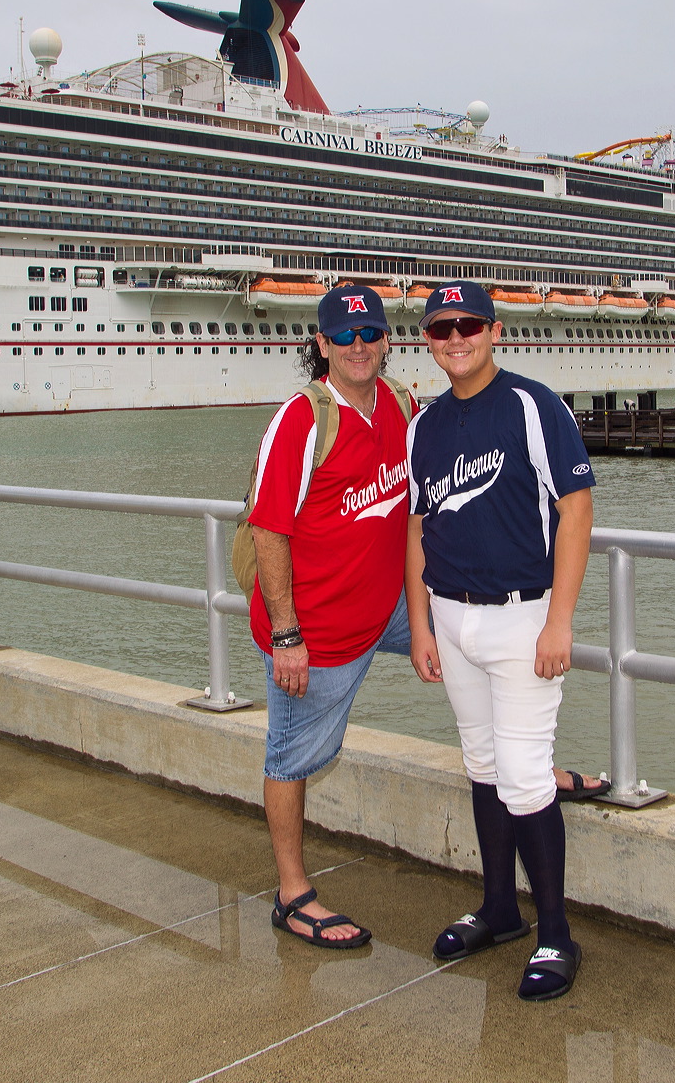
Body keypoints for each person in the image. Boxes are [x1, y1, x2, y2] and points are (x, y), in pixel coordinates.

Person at [404, 281, 596, 1001]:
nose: (456, 338)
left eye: (469, 324)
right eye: (441, 328)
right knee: (482, 764)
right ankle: (498, 908)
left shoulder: (532, 404)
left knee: (523, 775)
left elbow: (577, 509)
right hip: (451, 616)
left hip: (523, 616)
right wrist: (420, 623)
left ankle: (556, 934)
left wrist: (560, 620)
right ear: (429, 340)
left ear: (495, 330)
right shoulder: (423, 426)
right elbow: (416, 527)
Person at [248, 284, 414, 948]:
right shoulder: (302, 420)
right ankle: (292, 896)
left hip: (388, 606)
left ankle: (528, 766)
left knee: (475, 639)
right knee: (291, 758)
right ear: (321, 345)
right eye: (343, 336)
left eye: (369, 334)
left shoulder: (400, 403)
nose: (358, 346)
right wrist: (287, 636)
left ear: (386, 340)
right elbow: (268, 530)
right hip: (317, 631)